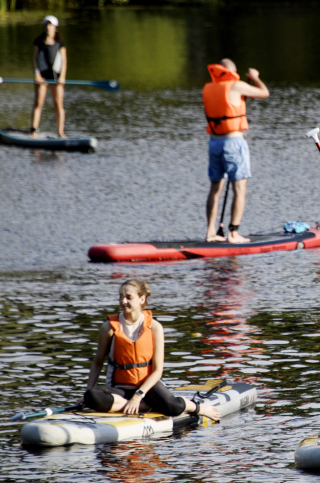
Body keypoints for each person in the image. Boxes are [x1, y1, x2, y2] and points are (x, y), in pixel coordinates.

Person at [81, 280, 221, 421]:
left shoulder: (155, 327)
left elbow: (157, 371)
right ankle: (146, 406)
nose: (123, 301)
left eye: (128, 297)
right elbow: (97, 363)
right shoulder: (108, 328)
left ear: (142, 299)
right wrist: (85, 396)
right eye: (121, 297)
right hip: (120, 389)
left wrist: (138, 395)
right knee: (92, 396)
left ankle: (197, 407)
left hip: (148, 387)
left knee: (173, 407)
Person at [202, 58, 269, 243]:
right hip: (233, 142)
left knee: (215, 188)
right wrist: (255, 77)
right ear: (232, 71)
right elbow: (264, 93)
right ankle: (233, 233)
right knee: (239, 188)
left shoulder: (208, 88)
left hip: (214, 142)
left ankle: (210, 232)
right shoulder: (237, 86)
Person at [31, 15, 67, 139]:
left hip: (56, 77)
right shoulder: (39, 41)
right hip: (42, 76)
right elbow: (35, 59)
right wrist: (37, 74)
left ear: (55, 27)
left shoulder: (60, 42)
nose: (48, 27)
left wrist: (62, 77)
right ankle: (34, 131)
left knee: (58, 104)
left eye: (50, 25)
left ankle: (60, 133)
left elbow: (64, 61)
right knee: (38, 103)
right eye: (46, 25)